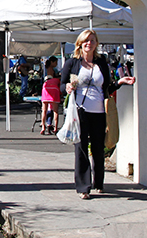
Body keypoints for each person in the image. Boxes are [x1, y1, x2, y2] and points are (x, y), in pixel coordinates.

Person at [61, 30, 135, 199]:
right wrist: (67, 87)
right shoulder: (72, 63)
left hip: (100, 111)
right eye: (86, 41)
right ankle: (83, 187)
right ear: (80, 43)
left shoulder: (101, 62)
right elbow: (62, 85)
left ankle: (99, 182)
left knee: (98, 148)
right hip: (80, 110)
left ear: (96, 44)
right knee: (81, 149)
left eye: (92, 41)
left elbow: (107, 87)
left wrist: (120, 83)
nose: (89, 44)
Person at [40, 56, 61, 135]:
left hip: (46, 87)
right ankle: (55, 127)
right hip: (54, 87)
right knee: (55, 110)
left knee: (44, 110)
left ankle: (43, 127)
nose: (56, 64)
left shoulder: (45, 69)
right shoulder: (52, 69)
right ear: (52, 62)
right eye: (55, 62)